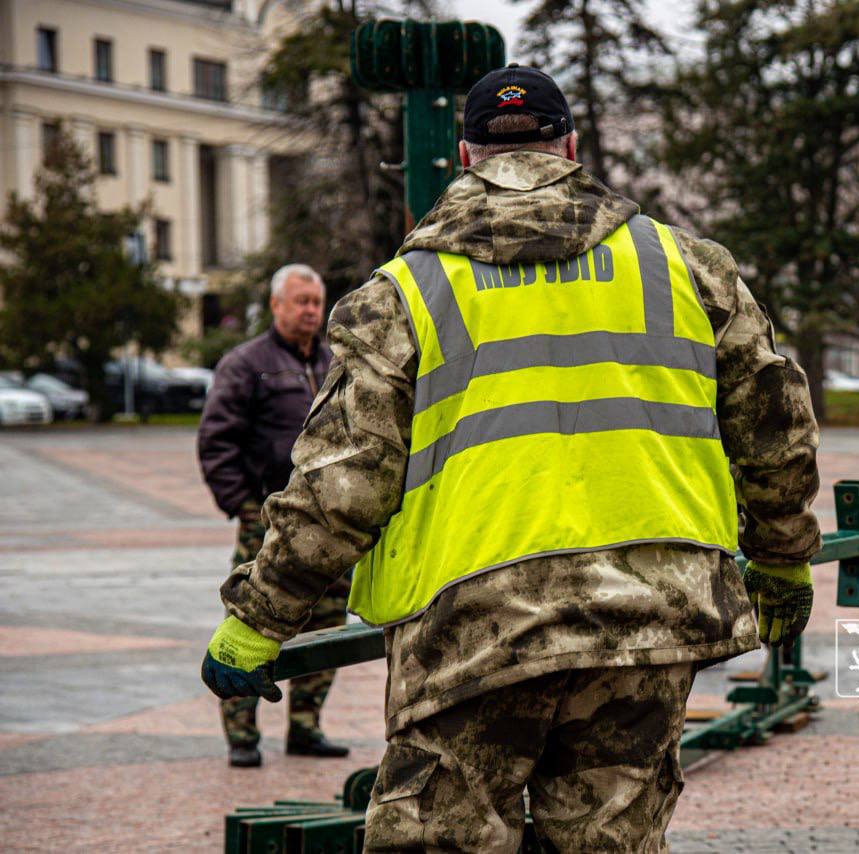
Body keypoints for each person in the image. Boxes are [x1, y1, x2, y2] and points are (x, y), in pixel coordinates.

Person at [198, 64, 821, 849]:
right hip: (650, 620)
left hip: (474, 627)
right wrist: (783, 560)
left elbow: (340, 483)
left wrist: (259, 620)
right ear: (570, 146)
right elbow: (776, 429)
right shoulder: (685, 266)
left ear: (466, 156)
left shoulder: (405, 292)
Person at [198, 263, 350, 768]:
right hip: (266, 516)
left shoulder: (334, 361)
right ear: (275, 305)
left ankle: (306, 726)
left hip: (326, 520)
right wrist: (242, 506)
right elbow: (216, 441)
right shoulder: (246, 364)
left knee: (327, 622)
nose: (311, 310)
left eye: (316, 301)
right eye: (300, 301)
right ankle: (242, 735)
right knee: (253, 620)